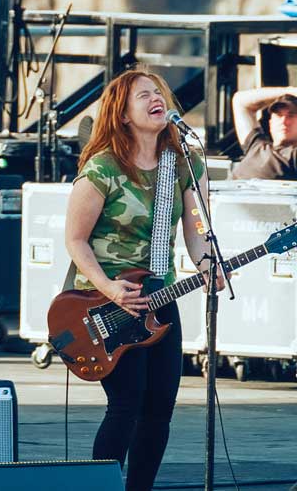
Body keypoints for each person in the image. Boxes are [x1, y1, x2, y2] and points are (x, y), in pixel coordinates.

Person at [64, 70, 224, 491]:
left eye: (159, 93)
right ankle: (99, 486)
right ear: (122, 114)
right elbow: (76, 240)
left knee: (159, 411)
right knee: (126, 406)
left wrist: (208, 264)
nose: (156, 99)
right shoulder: (103, 168)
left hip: (160, 295)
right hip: (105, 301)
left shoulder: (184, 161)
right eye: (144, 95)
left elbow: (196, 229)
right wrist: (110, 288)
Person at [230, 86, 297, 180]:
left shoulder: (293, 156)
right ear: (270, 123)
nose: (283, 121)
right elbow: (239, 100)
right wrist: (289, 91)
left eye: (291, 115)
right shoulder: (255, 145)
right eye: (278, 115)